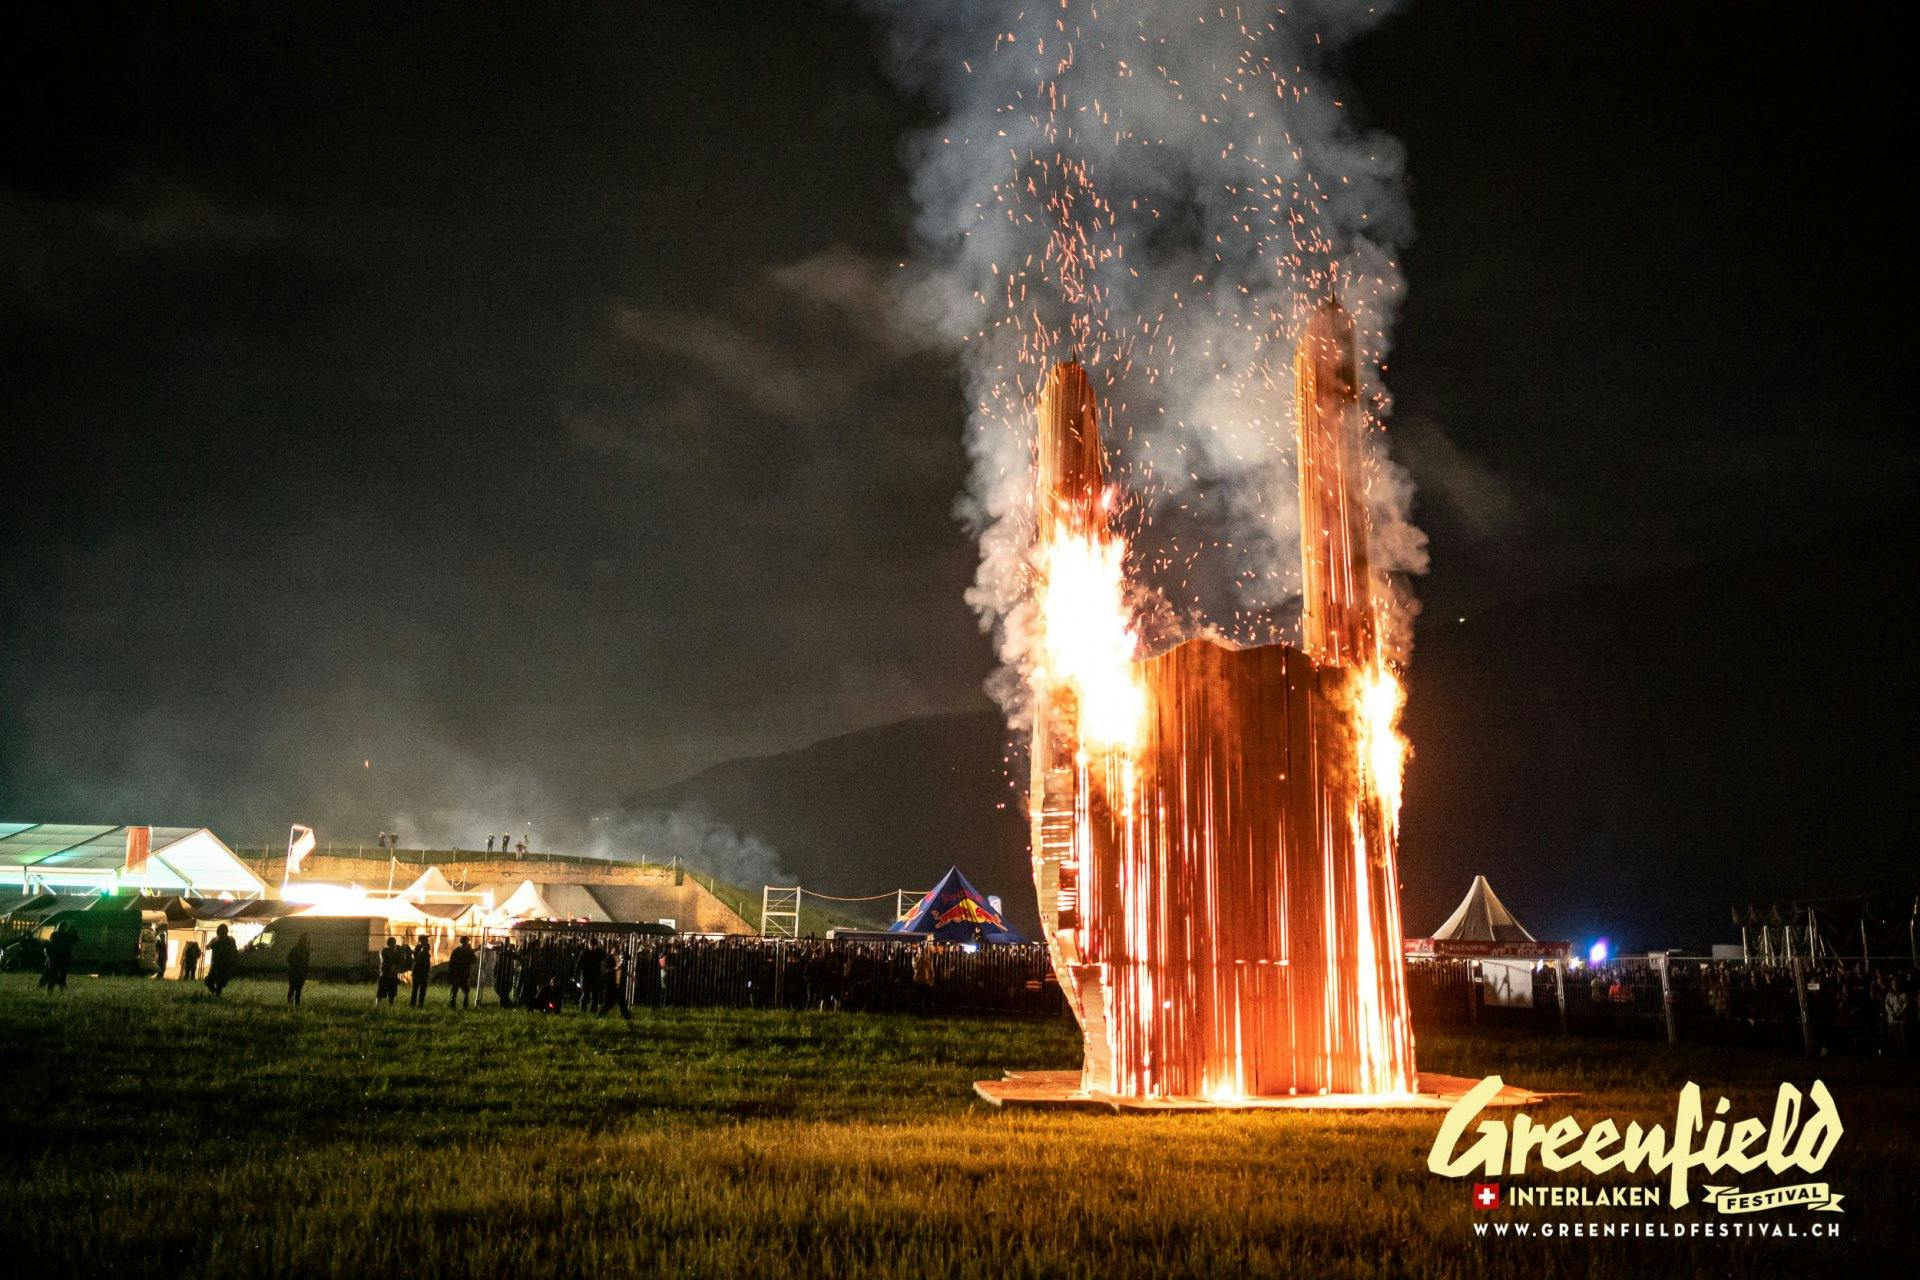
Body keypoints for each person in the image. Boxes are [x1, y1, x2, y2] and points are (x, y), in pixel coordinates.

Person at [39, 922, 77, 992]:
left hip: (55, 959)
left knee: (53, 975)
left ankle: (50, 990)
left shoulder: (55, 934)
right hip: (60, 959)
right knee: (60, 976)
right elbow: (74, 940)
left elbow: (50, 944)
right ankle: (59, 990)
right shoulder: (67, 935)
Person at [204, 923, 238, 997]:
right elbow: (208, 947)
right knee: (209, 981)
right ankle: (214, 992)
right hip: (216, 964)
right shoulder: (216, 939)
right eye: (221, 931)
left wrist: (232, 961)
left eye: (223, 930)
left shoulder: (230, 940)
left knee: (220, 982)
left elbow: (235, 951)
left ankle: (216, 995)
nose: (222, 932)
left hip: (224, 964)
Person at [447, 936, 477, 1008]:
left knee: (455, 991)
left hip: (458, 974)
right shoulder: (467, 952)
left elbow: (450, 963)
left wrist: (451, 973)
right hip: (462, 974)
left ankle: (453, 1006)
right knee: (464, 991)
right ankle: (463, 1006)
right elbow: (474, 961)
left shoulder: (456, 951)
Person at [376, 936, 407, 1005]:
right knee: (381, 991)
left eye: (394, 943)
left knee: (392, 992)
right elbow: (387, 961)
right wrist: (397, 954)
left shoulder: (395, 952)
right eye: (392, 943)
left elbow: (401, 961)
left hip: (393, 975)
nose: (394, 945)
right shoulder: (384, 951)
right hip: (385, 973)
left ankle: (390, 1005)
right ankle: (377, 1004)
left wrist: (401, 952)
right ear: (388, 944)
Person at [287, 933, 312, 1006]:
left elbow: (306, 962)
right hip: (296, 971)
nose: (307, 941)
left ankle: (292, 1005)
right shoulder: (297, 949)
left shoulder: (303, 950)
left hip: (300, 972)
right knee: (294, 989)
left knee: (296, 989)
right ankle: (292, 1004)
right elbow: (289, 958)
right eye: (306, 939)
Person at [409, 934, 433, 1008]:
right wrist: (423, 950)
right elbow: (417, 958)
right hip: (417, 972)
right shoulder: (418, 947)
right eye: (426, 939)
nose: (427, 941)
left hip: (424, 972)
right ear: (421, 941)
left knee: (422, 990)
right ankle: (412, 1005)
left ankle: (420, 1005)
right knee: (415, 990)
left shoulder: (426, 948)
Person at [492, 940, 517, 1008]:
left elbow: (516, 956)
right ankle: (506, 1003)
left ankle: (505, 1003)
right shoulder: (501, 953)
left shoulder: (508, 953)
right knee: (503, 991)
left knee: (504, 992)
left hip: (506, 975)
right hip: (502, 975)